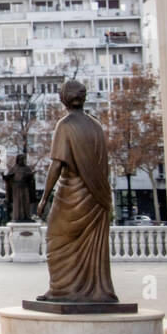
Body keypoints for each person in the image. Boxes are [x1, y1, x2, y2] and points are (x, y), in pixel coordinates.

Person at [35, 80, 118, 303]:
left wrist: (44, 198)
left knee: (56, 239)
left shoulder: (65, 125)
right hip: (96, 196)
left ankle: (61, 290)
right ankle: (94, 290)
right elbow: (103, 165)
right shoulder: (96, 126)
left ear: (63, 98)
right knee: (89, 245)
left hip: (71, 194)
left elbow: (57, 164)